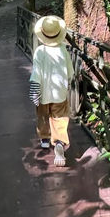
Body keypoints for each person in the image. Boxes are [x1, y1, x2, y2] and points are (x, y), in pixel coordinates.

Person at [29, 15, 74, 167]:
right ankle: (59, 141)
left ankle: (44, 139)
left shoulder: (40, 51)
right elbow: (70, 72)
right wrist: (67, 83)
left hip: (42, 92)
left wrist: (34, 91)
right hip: (59, 92)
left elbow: (36, 73)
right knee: (60, 116)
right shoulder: (63, 50)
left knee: (42, 114)